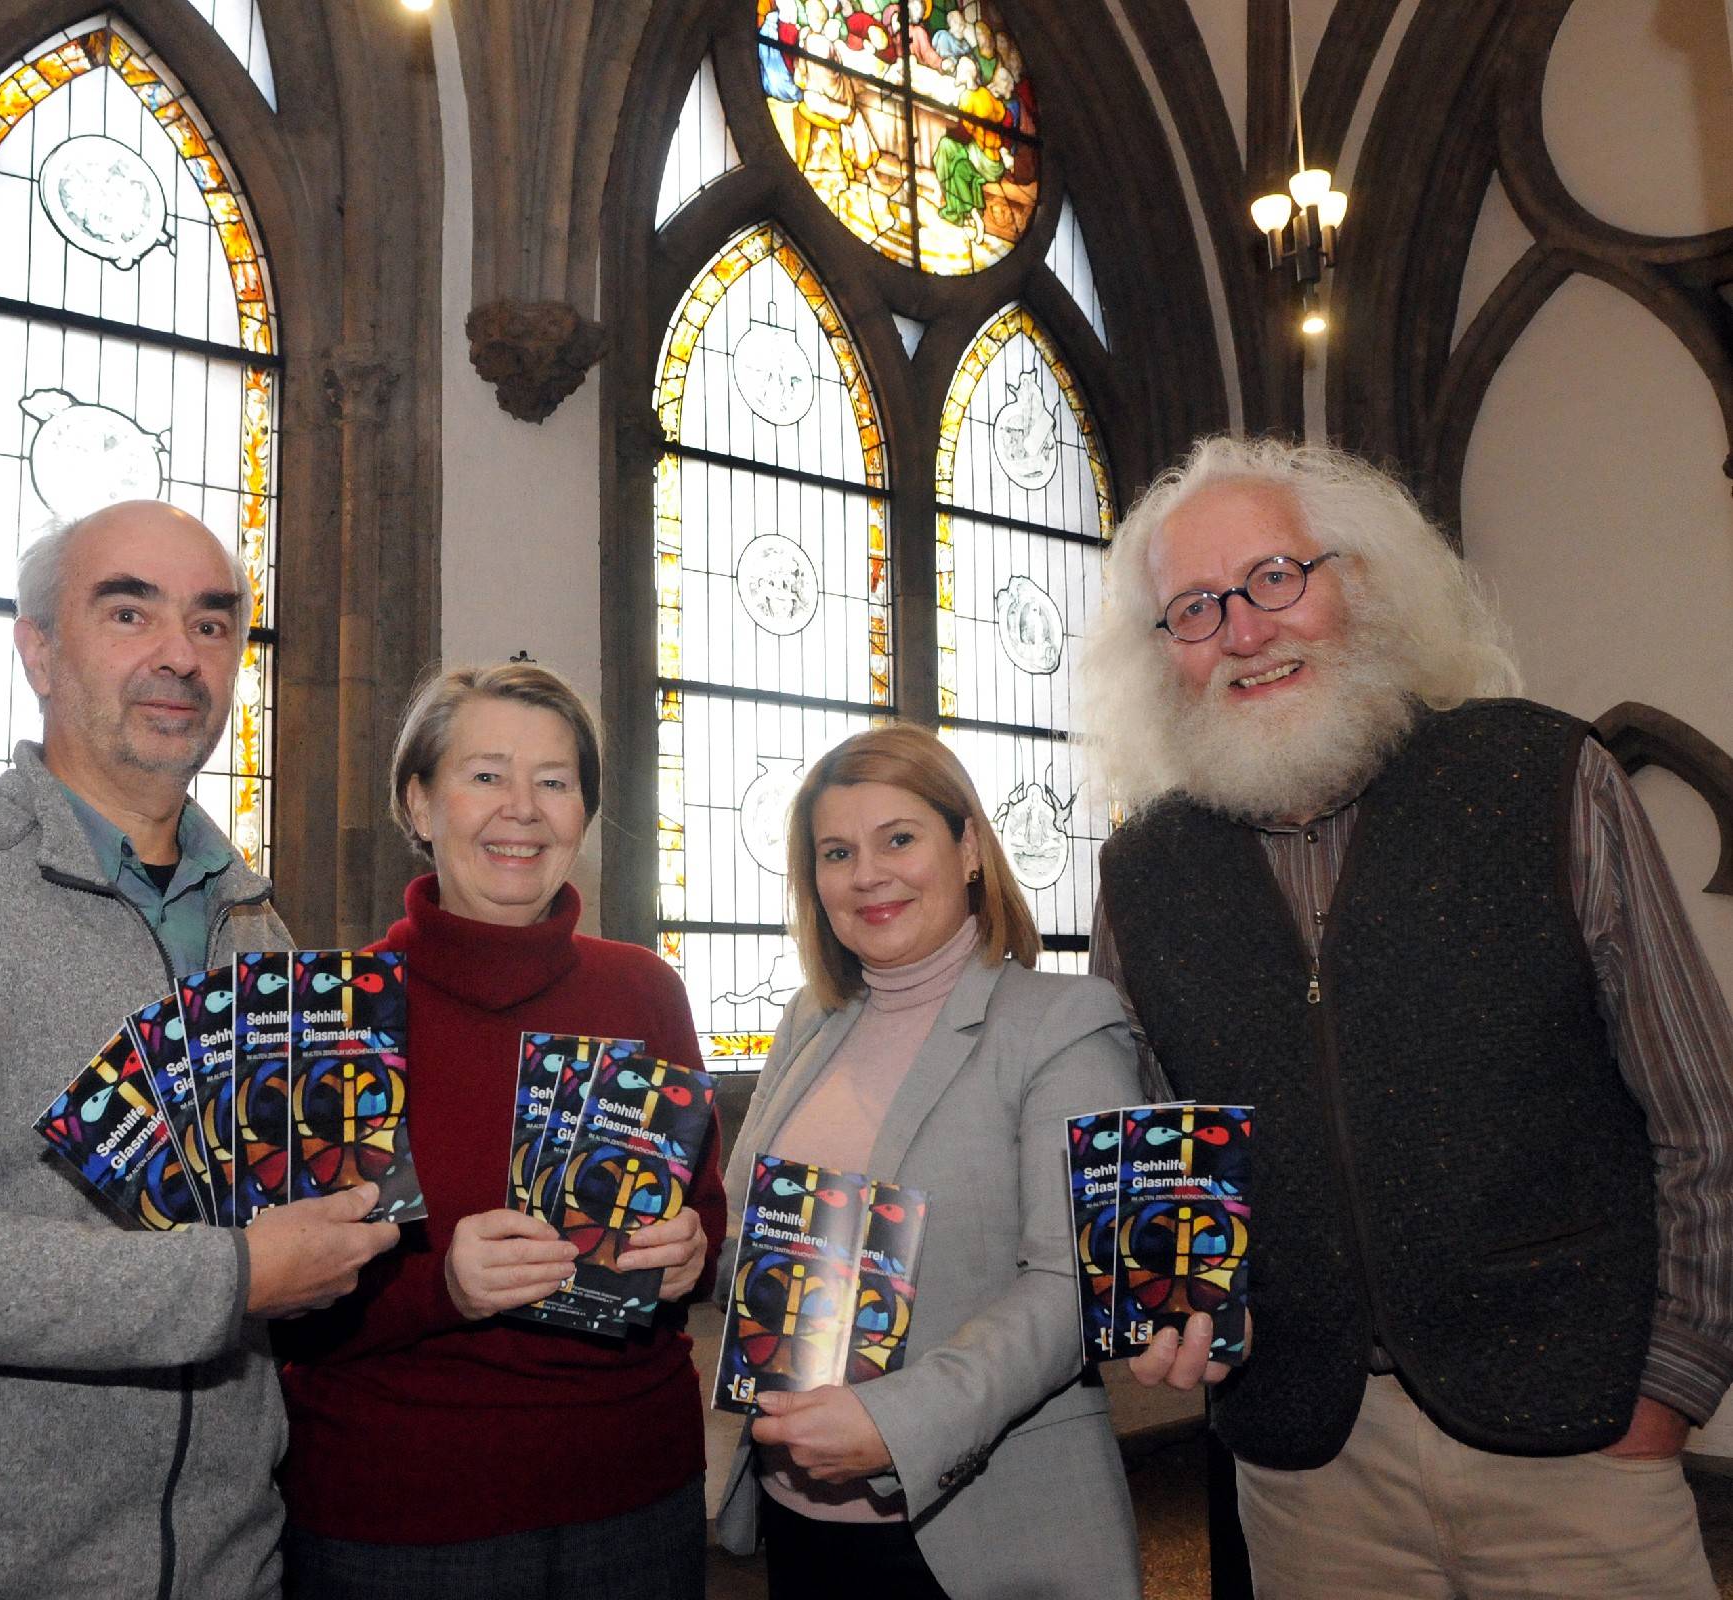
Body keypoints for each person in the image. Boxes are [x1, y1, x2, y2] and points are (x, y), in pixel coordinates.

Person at [1081, 435, 1733, 1599]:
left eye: (1276, 577)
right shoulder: (1144, 870)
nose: (1244, 630)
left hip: (1579, 1443)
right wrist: (1172, 1306)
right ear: (1161, 653)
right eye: (1195, 608)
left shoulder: (1541, 776)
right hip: (1310, 1469)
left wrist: (1668, 1391)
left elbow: (1703, 1117)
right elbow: (1156, 1148)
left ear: (1365, 583)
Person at [0, 501, 401, 1600]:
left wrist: (331, 1247)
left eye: (212, 624)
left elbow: (289, 1234)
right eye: (128, 612)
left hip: (229, 1566)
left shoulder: (259, 929)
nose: (180, 655)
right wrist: (235, 1276)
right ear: (39, 651)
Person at [276, 662, 728, 1600]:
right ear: (418, 802)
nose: (522, 808)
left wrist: (690, 1252)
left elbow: (705, 1213)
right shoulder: (338, 1013)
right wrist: (443, 1286)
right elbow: (289, 1303)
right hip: (403, 1516)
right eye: (486, 775)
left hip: (635, 1492)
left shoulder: (645, 990)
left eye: (554, 781)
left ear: (584, 812)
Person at [715, 724, 1142, 1600]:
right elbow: (748, 1242)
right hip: (797, 1516)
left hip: (980, 1530)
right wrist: (684, 1253)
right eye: (838, 852)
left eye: (899, 838)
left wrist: (894, 1422)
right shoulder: (809, 1021)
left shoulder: (1063, 1021)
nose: (868, 874)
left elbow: (1072, 1285)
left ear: (970, 848)